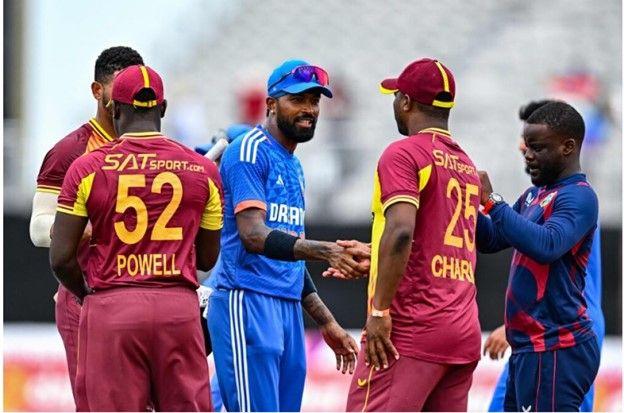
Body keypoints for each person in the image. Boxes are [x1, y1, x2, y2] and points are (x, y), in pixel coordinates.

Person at [49, 65, 220, 411]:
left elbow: (61, 257)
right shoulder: (203, 170)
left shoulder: (86, 168)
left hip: (113, 307)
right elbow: (205, 259)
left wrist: (91, 296)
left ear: (114, 109)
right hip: (178, 309)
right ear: (164, 108)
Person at [207, 59, 370, 412]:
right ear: (270, 104)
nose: (309, 110)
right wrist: (327, 251)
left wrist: (327, 323)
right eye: (297, 100)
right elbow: (253, 235)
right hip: (247, 300)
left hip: (287, 311)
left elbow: (290, 255)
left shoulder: (293, 165)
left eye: (314, 101)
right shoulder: (249, 151)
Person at [341, 58, 482, 411]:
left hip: (412, 327)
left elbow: (402, 232)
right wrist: (377, 254)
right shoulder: (465, 164)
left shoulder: (404, 153)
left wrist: (379, 311)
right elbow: (434, 240)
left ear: (406, 102)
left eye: (396, 96)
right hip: (462, 328)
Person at [28, 46, 144, 404]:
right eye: (118, 87)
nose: (128, 98)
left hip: (138, 295)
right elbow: (39, 227)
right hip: (85, 295)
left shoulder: (151, 147)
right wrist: (95, 227)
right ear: (97, 91)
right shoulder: (69, 151)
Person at [477, 101, 600, 412]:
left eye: (537, 147)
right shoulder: (535, 195)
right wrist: (464, 203)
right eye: (526, 147)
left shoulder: (580, 196)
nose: (528, 155)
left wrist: (492, 201)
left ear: (568, 147)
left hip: (559, 345)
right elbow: (492, 238)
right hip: (530, 345)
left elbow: (547, 245)